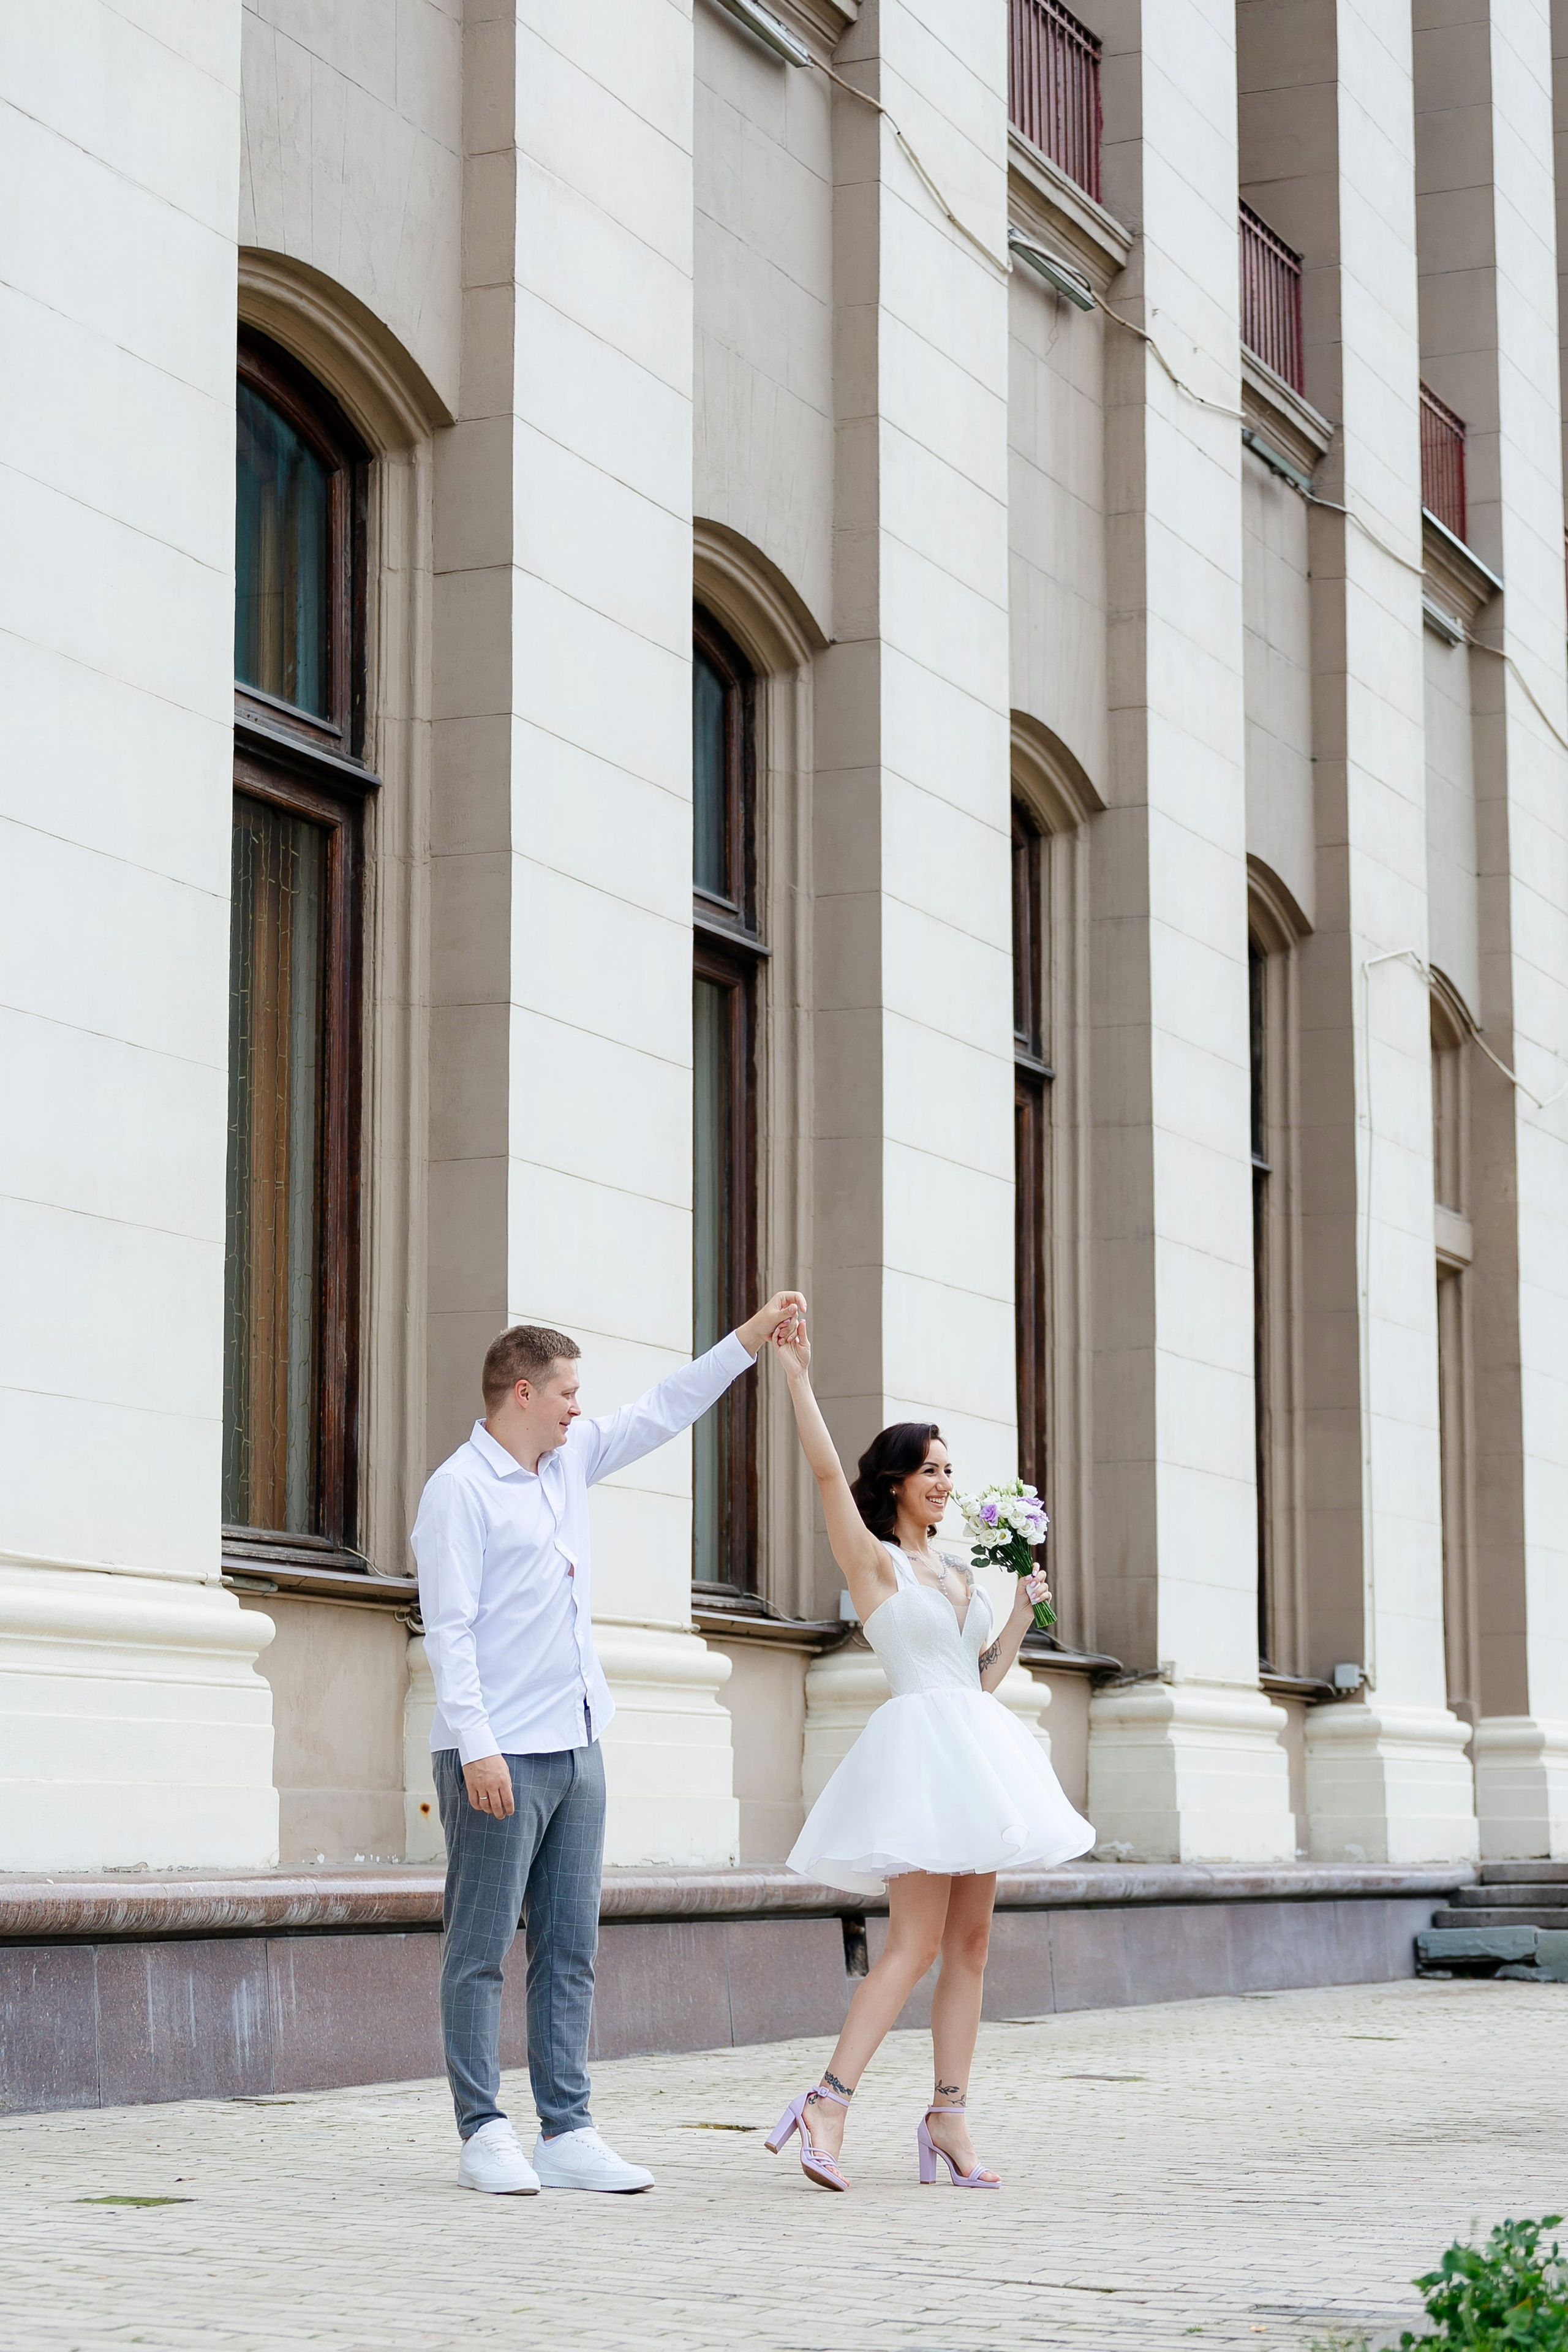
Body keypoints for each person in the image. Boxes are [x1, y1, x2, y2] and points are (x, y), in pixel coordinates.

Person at [413, 1291, 805, 2197]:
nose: (581, 1409)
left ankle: (568, 2129)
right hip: (496, 1752)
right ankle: (483, 2132)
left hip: (579, 1744)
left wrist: (750, 1339)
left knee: (570, 1947)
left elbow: (666, 1407)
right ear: (521, 1393)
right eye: (567, 1394)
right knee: (478, 1949)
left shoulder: (569, 1461)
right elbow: (451, 1630)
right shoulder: (458, 1491)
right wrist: (476, 1747)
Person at [764, 1310, 1093, 2191]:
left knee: (973, 1943)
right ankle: (827, 2100)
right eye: (931, 1470)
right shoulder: (872, 1563)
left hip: (975, 1746)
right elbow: (828, 1471)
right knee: (910, 1943)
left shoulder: (960, 1572)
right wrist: (797, 1377)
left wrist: (1021, 1615)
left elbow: (978, 1679)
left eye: (950, 1469)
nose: (945, 1483)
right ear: (898, 1482)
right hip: (918, 1752)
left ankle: (949, 2115)